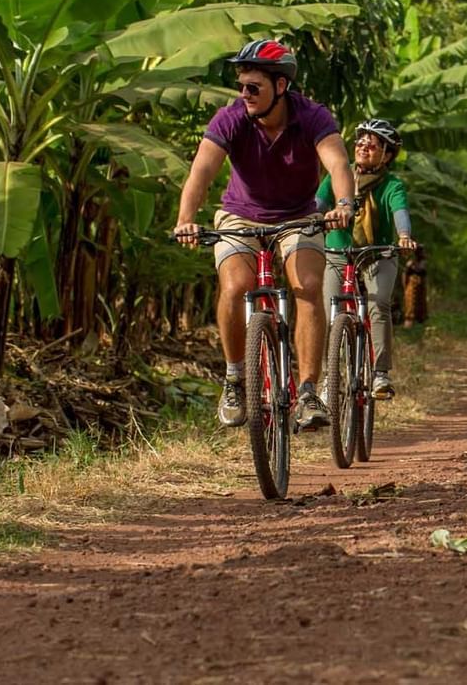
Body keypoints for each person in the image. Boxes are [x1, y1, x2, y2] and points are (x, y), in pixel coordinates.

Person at [173, 39, 355, 430]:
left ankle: (308, 392)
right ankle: (235, 378)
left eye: (253, 87)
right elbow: (201, 172)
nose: (245, 94)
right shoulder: (230, 118)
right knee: (236, 286)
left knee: (308, 286)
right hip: (240, 216)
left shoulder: (312, 116)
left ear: (281, 86)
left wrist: (343, 204)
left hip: (299, 216)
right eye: (241, 86)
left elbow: (338, 163)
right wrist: (185, 218)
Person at [316, 118, 417, 400]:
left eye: (371, 146)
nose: (363, 148)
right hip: (338, 253)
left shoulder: (392, 185)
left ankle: (380, 373)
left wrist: (404, 236)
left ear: (387, 155)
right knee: (327, 311)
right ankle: (328, 378)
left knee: (378, 303)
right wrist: (312, 220)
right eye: (360, 143)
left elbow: (400, 211)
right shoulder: (339, 176)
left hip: (378, 254)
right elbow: (318, 205)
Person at [403, 244, 428, 327]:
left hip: (421, 286)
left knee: (421, 302)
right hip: (411, 286)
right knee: (410, 303)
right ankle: (409, 321)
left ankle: (420, 321)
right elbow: (405, 275)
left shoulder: (423, 262)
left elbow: (422, 271)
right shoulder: (410, 263)